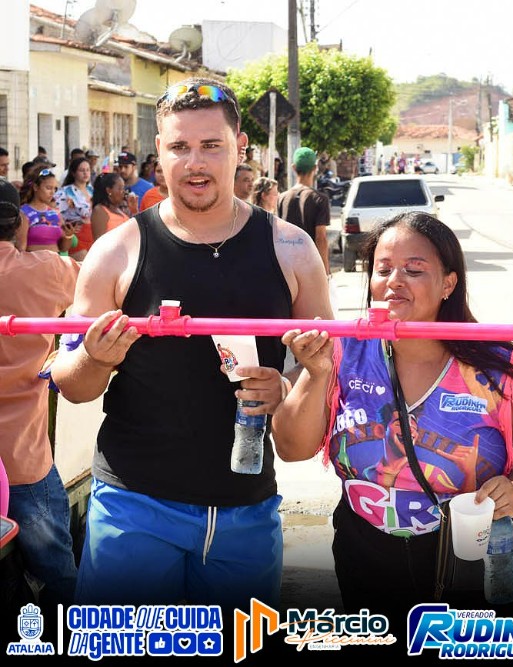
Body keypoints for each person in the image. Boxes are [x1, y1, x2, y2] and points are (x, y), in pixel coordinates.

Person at [48, 77, 331, 609]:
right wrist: (93, 357)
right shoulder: (116, 251)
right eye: (179, 146)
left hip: (247, 510)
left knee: (238, 644)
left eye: (211, 145)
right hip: (132, 506)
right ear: (159, 151)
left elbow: (322, 364)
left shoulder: (291, 250)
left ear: (240, 147)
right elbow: (70, 383)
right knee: (121, 645)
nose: (195, 163)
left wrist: (287, 384)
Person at [272, 211, 513, 628]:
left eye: (414, 270)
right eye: (383, 269)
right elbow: (291, 449)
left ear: (448, 284)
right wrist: (317, 374)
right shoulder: (343, 351)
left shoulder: (500, 369)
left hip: (481, 558)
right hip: (368, 556)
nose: (395, 281)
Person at [0, 179, 81, 610]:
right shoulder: (46, 271)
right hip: (22, 460)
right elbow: (101, 285)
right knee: (59, 578)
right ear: (20, 224)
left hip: (21, 459)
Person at [276, 147, 331, 276]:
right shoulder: (320, 199)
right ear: (315, 168)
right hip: (310, 266)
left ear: (294, 168)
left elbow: (279, 235)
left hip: (287, 266)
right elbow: (321, 238)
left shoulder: (281, 198)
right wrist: (325, 271)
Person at [19, 166, 75, 255]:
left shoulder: (56, 213)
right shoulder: (24, 212)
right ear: (36, 187)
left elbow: (63, 248)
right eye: (48, 188)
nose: (52, 192)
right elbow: (20, 248)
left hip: (55, 260)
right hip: (34, 261)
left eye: (55, 189)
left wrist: (68, 235)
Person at [55, 157, 94, 261]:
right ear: (73, 173)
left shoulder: (92, 190)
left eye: (88, 170)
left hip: (92, 233)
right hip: (76, 234)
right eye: (81, 170)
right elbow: (55, 212)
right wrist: (65, 226)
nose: (85, 173)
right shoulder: (65, 191)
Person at [91, 173, 136, 240]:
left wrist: (134, 210)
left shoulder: (120, 210)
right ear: (109, 191)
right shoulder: (99, 211)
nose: (124, 192)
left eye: (124, 188)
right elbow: (99, 242)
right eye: (120, 188)